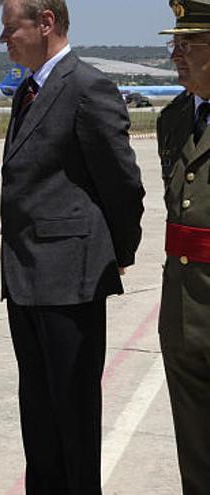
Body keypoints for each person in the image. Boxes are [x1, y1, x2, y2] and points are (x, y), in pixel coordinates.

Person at [0, 1, 145, 493]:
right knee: (37, 417)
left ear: (45, 23)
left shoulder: (86, 86)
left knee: (73, 418)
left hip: (70, 280)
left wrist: (115, 252)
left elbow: (121, 183)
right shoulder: (29, 89)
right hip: (25, 278)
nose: (3, 39)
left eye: (9, 27)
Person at [156, 2, 210, 493]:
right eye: (175, 43)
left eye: (189, 43)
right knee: (193, 442)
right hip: (181, 303)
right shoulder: (173, 119)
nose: (177, 53)